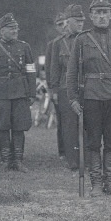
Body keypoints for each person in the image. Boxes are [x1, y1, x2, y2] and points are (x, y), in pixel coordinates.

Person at [66, 0, 111, 197]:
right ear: (91, 16)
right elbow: (72, 73)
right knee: (94, 141)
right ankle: (96, 183)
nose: (101, 16)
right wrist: (72, 98)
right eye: (97, 12)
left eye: (105, 12)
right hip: (92, 95)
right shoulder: (82, 39)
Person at [0, 13, 37, 171]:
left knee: (19, 126)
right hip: (0, 93)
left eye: (16, 28)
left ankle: (18, 160)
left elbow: (31, 71)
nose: (15, 31)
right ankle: (5, 160)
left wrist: (32, 93)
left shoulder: (24, 47)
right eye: (11, 28)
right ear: (1, 30)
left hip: (20, 92)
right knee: (2, 126)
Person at [47, 4, 85, 170]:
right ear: (68, 22)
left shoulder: (88, 39)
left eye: (82, 21)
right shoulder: (58, 44)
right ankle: (73, 160)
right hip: (65, 89)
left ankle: (88, 159)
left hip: (86, 88)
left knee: (88, 125)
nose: (81, 24)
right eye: (77, 21)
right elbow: (54, 69)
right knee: (69, 126)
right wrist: (54, 90)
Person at [45, 11, 67, 159]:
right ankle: (63, 151)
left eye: (66, 22)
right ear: (56, 28)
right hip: (60, 87)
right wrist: (52, 90)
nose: (64, 26)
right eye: (60, 24)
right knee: (62, 119)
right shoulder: (53, 45)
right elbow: (49, 69)